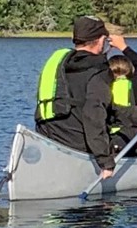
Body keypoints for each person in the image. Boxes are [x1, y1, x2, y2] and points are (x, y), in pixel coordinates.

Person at [34, 15, 127, 170]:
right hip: (80, 149)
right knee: (130, 135)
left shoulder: (60, 64)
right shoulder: (99, 71)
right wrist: (106, 163)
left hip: (50, 142)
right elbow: (94, 116)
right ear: (100, 40)